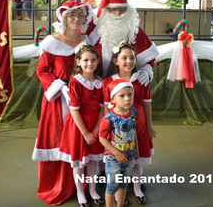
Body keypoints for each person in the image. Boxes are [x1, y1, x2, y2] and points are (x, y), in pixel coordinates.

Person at [31, 0, 93, 206]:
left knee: (81, 141)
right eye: (71, 15)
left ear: (85, 18)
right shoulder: (51, 42)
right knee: (58, 141)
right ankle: (58, 185)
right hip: (58, 101)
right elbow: (41, 71)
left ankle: (83, 186)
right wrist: (60, 86)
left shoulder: (88, 40)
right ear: (64, 17)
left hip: (82, 101)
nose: (76, 19)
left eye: (80, 15)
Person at [103, 42, 155, 205]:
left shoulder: (141, 78)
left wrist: (148, 126)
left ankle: (137, 187)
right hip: (117, 128)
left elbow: (147, 103)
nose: (128, 61)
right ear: (115, 61)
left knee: (136, 159)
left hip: (137, 125)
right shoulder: (108, 82)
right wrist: (107, 129)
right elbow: (106, 108)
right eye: (124, 58)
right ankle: (117, 193)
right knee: (117, 161)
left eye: (132, 58)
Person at [58, 44, 105, 207]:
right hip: (79, 128)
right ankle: (80, 192)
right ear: (78, 62)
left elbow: (102, 109)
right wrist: (85, 133)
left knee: (92, 161)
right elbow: (74, 111)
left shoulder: (100, 82)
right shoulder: (75, 83)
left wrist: (96, 130)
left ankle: (92, 190)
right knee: (79, 162)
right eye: (85, 60)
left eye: (93, 60)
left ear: (98, 61)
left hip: (94, 127)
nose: (89, 63)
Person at [85, 0, 158, 84]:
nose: (118, 14)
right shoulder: (93, 27)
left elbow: (149, 56)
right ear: (106, 10)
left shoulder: (133, 28)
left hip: (124, 86)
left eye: (122, 9)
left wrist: (146, 70)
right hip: (95, 83)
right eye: (113, 9)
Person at [99, 79, 138, 207]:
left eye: (129, 94)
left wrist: (135, 149)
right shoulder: (109, 118)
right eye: (122, 95)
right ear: (113, 99)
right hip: (113, 158)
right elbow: (102, 138)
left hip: (129, 156)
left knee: (124, 183)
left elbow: (133, 131)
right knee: (112, 185)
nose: (127, 98)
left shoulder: (133, 112)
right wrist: (117, 154)